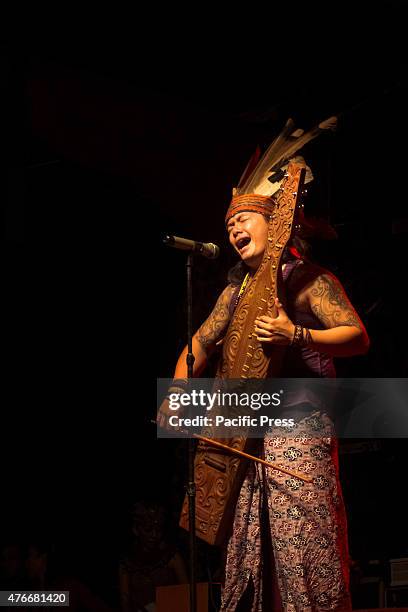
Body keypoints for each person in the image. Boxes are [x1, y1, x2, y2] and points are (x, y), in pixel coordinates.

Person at [157, 118, 370, 611]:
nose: (232, 229)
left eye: (242, 220)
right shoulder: (235, 292)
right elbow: (200, 344)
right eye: (228, 223)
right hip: (244, 434)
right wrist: (178, 393)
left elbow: (357, 336)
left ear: (273, 221)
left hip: (299, 427)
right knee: (246, 551)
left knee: (302, 541)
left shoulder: (307, 277)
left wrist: (297, 334)